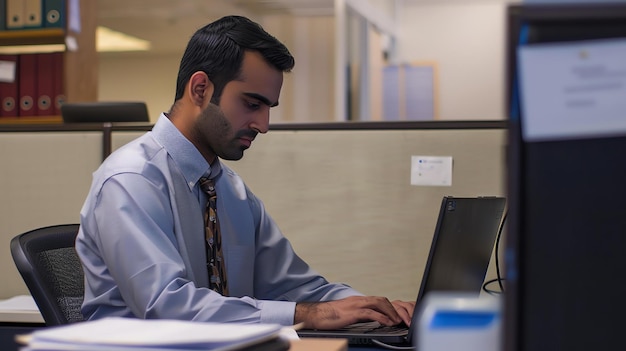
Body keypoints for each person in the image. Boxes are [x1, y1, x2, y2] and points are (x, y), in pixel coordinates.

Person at [75, 15, 415, 329]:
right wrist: (307, 315)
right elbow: (166, 306)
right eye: (252, 104)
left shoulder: (230, 190)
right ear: (200, 89)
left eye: (268, 108)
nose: (263, 125)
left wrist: (371, 308)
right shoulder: (131, 180)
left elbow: (294, 286)